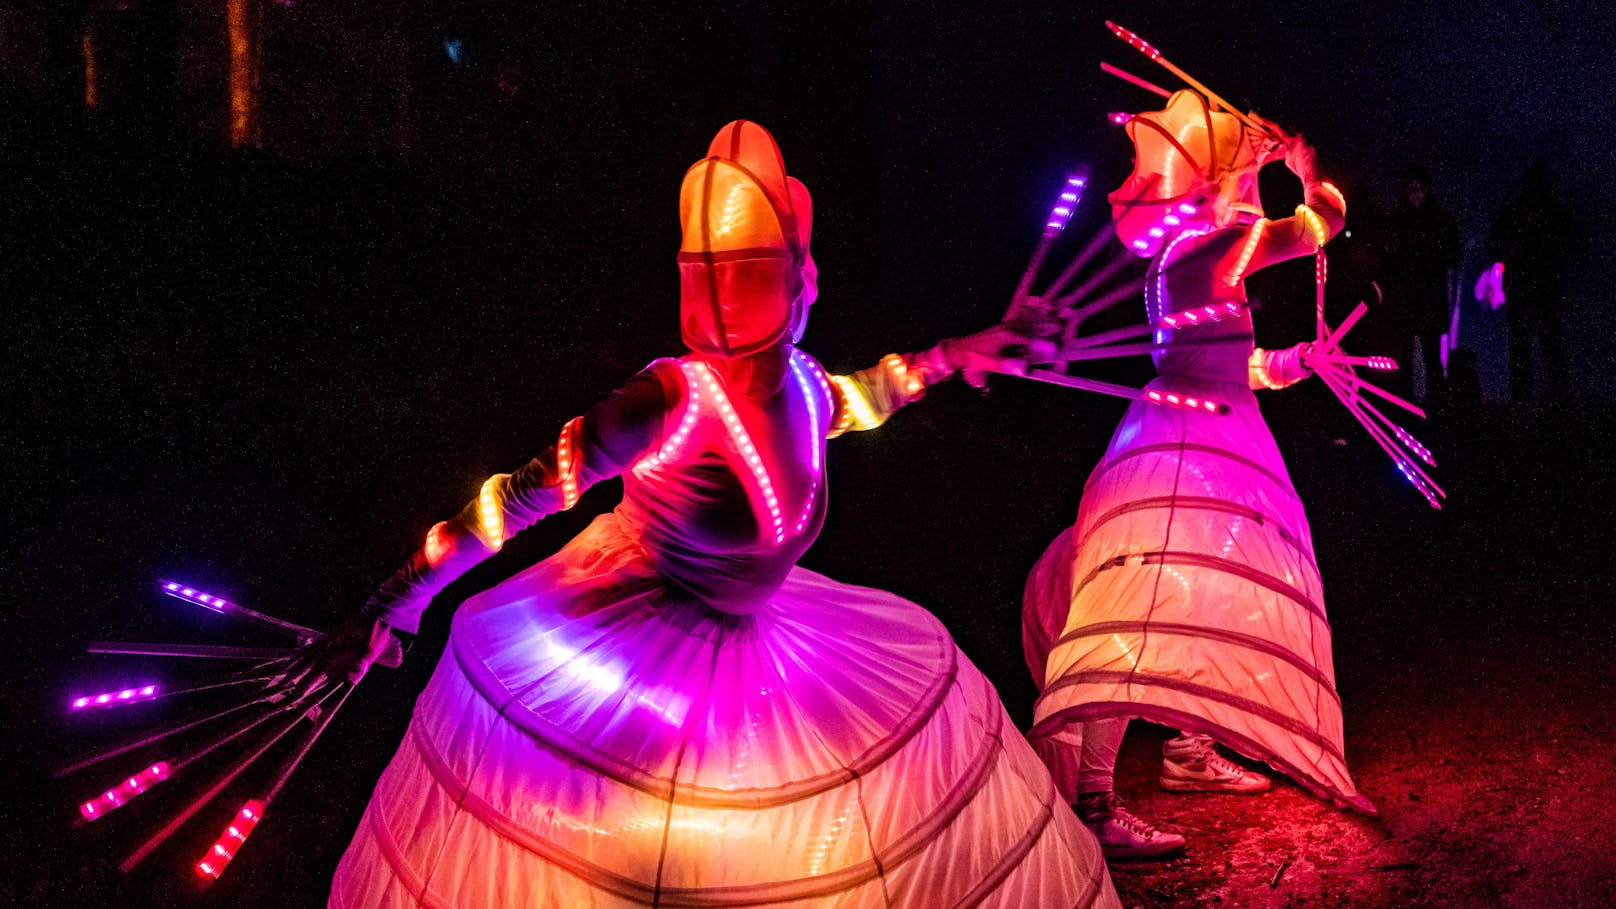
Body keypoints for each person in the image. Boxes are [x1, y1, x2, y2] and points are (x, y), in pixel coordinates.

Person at [300, 121, 1120, 908]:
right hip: (629, 637)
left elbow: (868, 394)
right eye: (736, 273)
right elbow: (515, 500)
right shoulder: (670, 399)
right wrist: (393, 602)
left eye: (772, 270)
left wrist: (966, 352)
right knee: (644, 840)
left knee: (768, 832)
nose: (764, 293)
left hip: (759, 636)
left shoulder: (800, 382)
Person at [1021, 91, 1376, 862]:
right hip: (1192, 449)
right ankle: (1095, 802)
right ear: (1216, 182)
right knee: (1139, 615)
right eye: (1238, 171)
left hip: (1198, 434)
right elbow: (1325, 223)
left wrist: (1289, 363)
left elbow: (1219, 360)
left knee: (1203, 593)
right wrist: (1307, 170)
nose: (1247, 180)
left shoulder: (1179, 261)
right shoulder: (1218, 249)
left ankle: (1187, 754)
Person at [1489, 164, 1579, 403]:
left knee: (1523, 349)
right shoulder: (1555, 213)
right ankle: (1554, 405)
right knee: (1550, 349)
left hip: (1522, 289)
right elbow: (1574, 246)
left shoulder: (1513, 212)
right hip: (1547, 289)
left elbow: (1494, 245)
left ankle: (1523, 404)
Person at [1381, 166, 1461, 402]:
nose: (1416, 194)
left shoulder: (1438, 220)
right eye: (1412, 189)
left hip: (1428, 298)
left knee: (1431, 356)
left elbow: (1453, 254)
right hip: (1409, 298)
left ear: (1427, 190)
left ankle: (1433, 405)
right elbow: (1388, 257)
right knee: (1406, 357)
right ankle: (1407, 403)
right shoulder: (1400, 221)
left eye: (1419, 189)